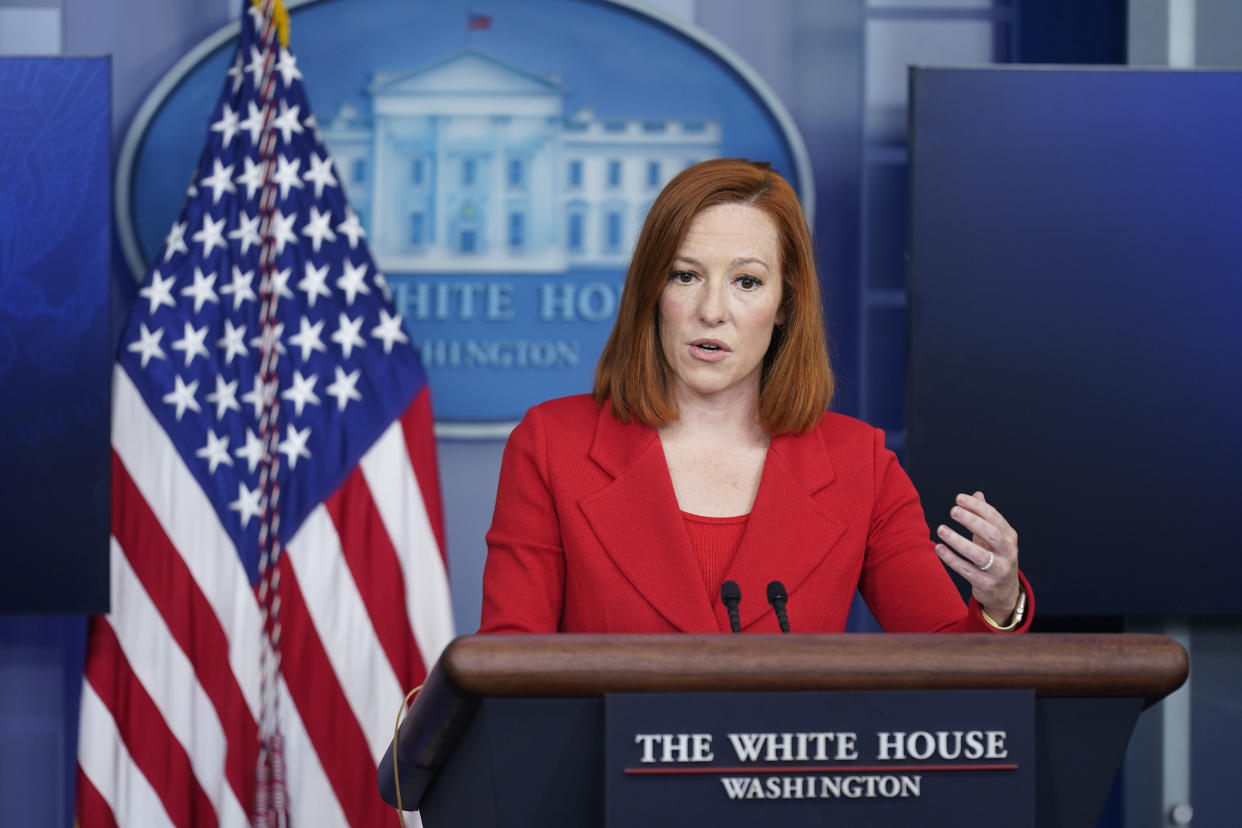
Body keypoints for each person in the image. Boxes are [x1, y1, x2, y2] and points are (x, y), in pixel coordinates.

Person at [479, 158, 1031, 635]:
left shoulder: (858, 464)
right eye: (685, 275)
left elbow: (951, 666)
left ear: (785, 304)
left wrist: (1000, 603)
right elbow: (508, 668)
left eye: (746, 281)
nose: (712, 310)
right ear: (652, 292)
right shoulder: (554, 445)